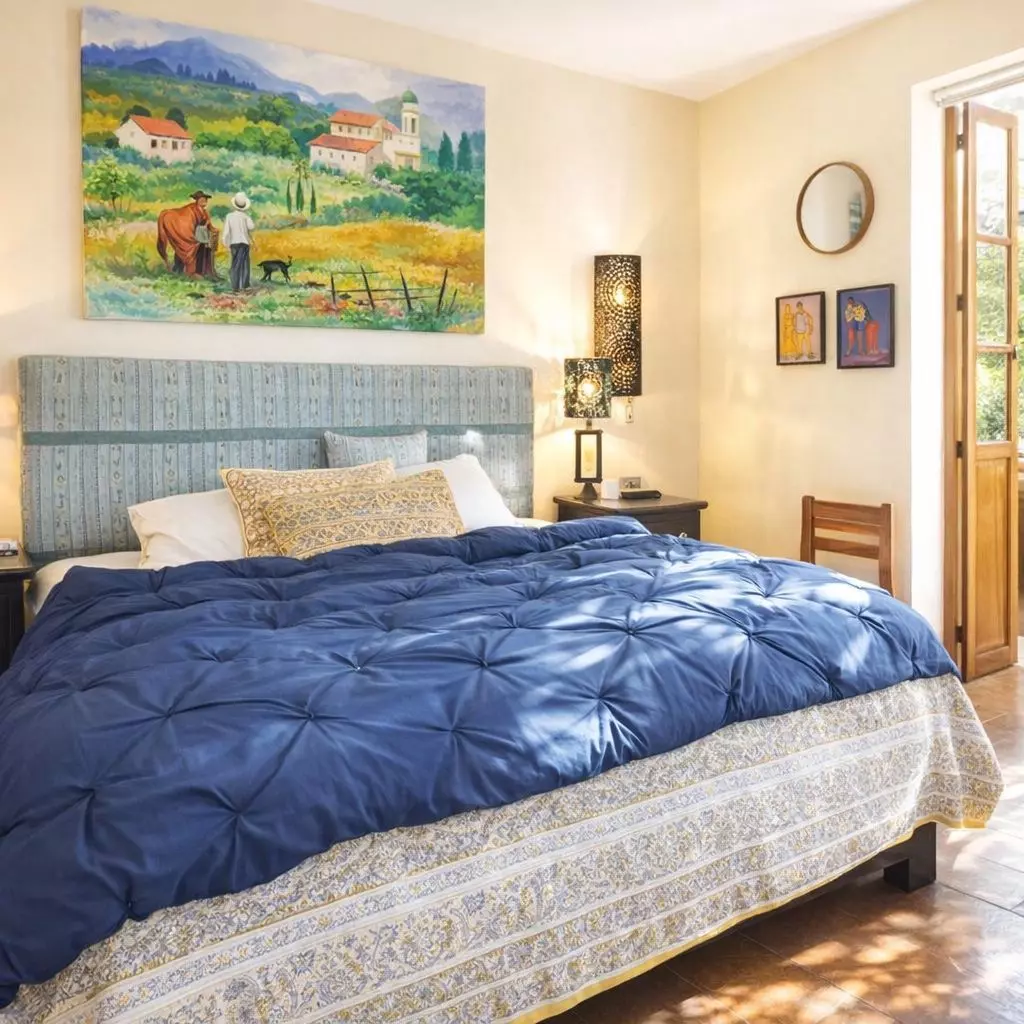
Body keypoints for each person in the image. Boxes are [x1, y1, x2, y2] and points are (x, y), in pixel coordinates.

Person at [156, 191, 218, 277]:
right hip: (194, 235)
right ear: (197, 200)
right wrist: (192, 237)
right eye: (201, 199)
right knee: (184, 246)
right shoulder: (191, 210)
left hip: (202, 236)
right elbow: (186, 224)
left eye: (205, 199)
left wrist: (214, 230)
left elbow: (210, 226)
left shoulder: (204, 212)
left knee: (202, 250)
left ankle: (201, 271)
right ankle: (185, 271)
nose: (204, 201)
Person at [222, 192, 255, 292]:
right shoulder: (245, 216)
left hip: (234, 243)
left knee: (235, 264)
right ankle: (245, 285)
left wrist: (225, 243)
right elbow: (252, 227)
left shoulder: (229, 216)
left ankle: (235, 286)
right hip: (244, 243)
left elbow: (226, 232)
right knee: (245, 264)